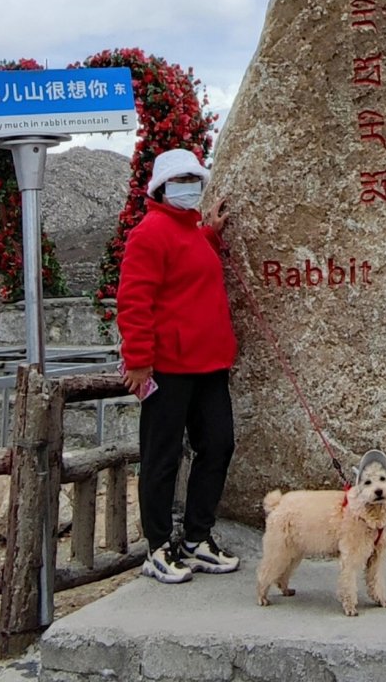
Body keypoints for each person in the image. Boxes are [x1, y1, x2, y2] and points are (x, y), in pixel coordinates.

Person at [117, 147, 241, 584]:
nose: (189, 187)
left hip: (209, 363)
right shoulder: (149, 233)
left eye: (194, 180)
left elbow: (188, 255)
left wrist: (212, 232)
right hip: (168, 366)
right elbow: (134, 301)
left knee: (219, 444)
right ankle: (156, 546)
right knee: (162, 456)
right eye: (180, 181)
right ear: (161, 188)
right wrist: (138, 361)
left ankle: (196, 537)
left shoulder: (189, 231)